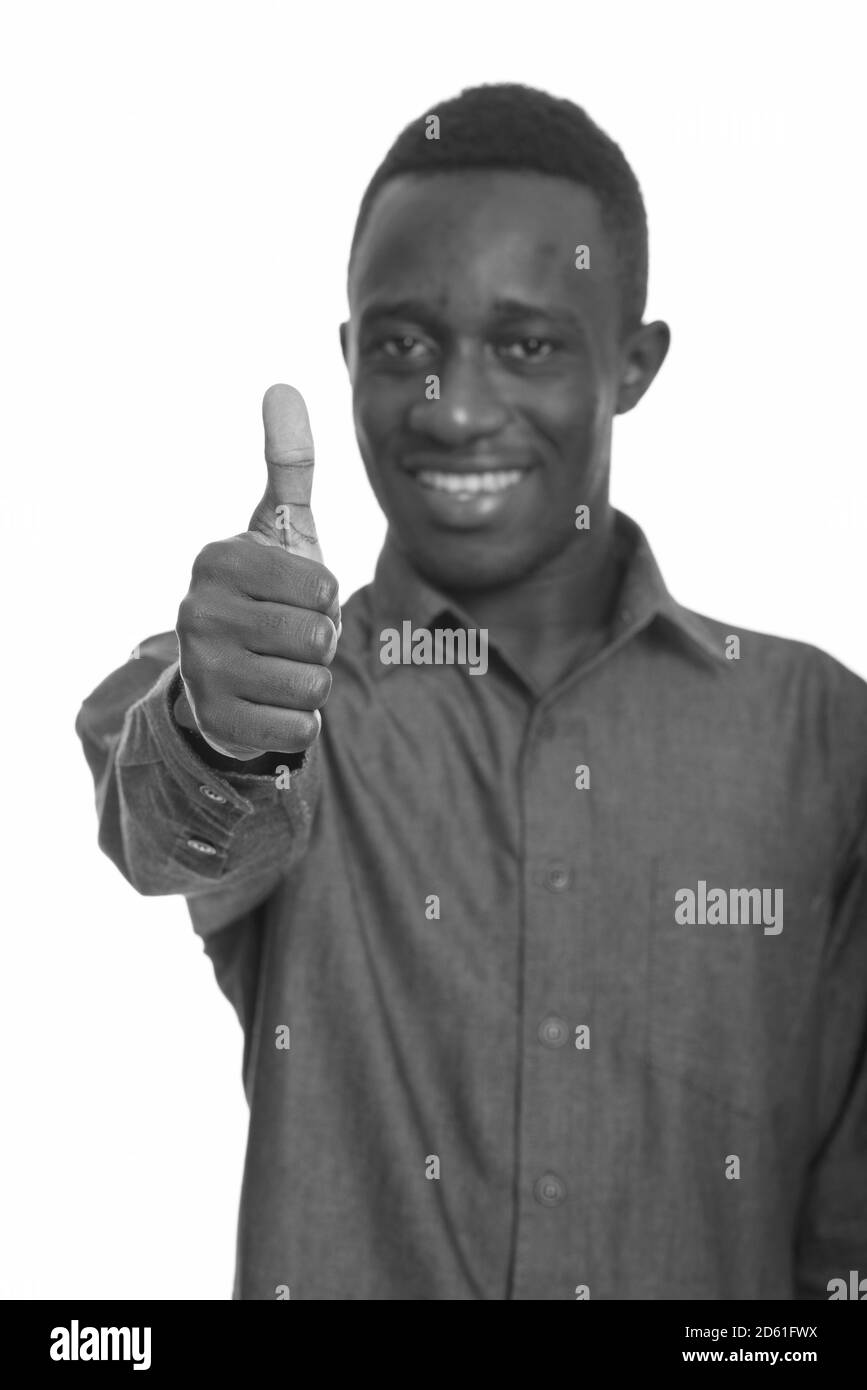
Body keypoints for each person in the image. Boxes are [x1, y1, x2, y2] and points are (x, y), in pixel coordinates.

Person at [76, 83, 867, 1300]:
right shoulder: (289, 686)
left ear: (636, 362)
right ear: (346, 357)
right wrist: (217, 730)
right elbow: (158, 811)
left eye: (528, 344)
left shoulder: (822, 739)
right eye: (401, 344)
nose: (456, 404)